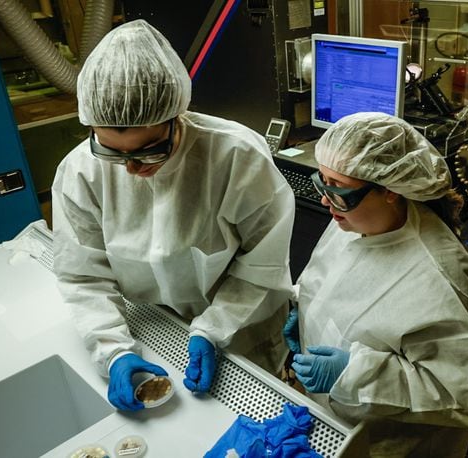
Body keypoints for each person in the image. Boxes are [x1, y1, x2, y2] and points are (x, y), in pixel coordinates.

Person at [52, 20, 294, 412]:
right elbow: (84, 275)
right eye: (113, 152)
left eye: (149, 150)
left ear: (176, 116)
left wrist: (215, 329)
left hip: (240, 331)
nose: (131, 168)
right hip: (151, 329)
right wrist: (112, 349)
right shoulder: (80, 171)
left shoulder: (235, 157)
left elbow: (263, 266)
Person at [283, 112, 468, 457]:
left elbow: (456, 395)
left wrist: (354, 374)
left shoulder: (444, 278)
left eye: (338, 190)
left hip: (389, 442)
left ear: (390, 191)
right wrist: (301, 310)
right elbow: (330, 278)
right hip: (330, 420)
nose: (325, 200)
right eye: (323, 182)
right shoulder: (353, 218)